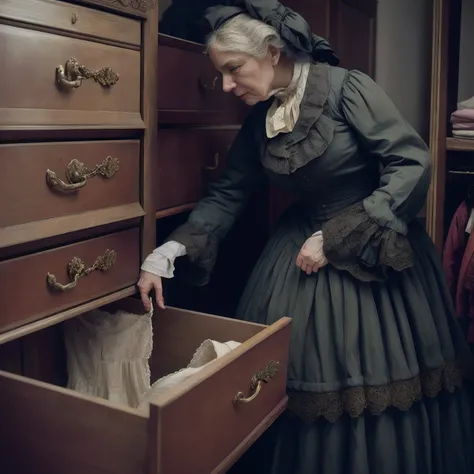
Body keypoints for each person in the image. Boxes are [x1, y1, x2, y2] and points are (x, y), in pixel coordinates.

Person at [139, 1, 474, 472]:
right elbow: (230, 191)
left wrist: (338, 235)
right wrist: (171, 249)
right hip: (294, 253)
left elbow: (411, 163)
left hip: (369, 243)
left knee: (367, 378)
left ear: (273, 52)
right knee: (280, 379)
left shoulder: (346, 89)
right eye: (223, 75)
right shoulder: (260, 120)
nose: (228, 86)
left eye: (234, 70)